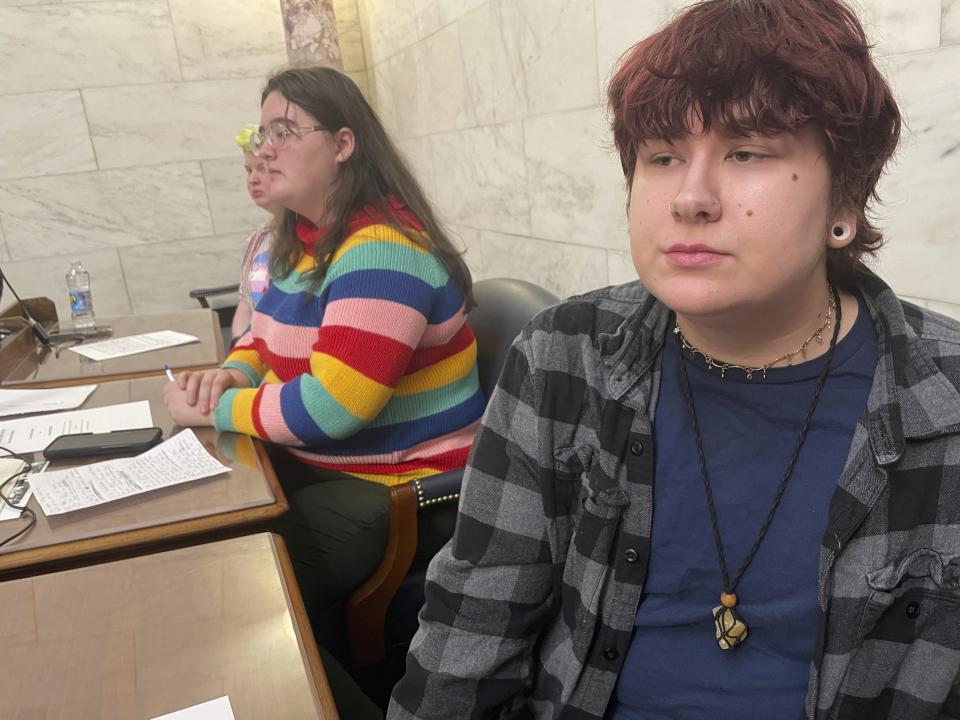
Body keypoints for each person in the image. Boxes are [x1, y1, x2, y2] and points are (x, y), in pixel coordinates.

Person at [388, 1, 960, 719]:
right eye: (662, 156)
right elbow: (468, 633)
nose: (690, 197)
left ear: (843, 197)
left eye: (747, 151)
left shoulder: (943, 399)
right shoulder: (565, 358)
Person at [163, 67, 485, 665]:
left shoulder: (382, 249)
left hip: (393, 492)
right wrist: (230, 375)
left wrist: (216, 408)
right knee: (198, 553)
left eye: (284, 130)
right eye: (261, 135)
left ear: (343, 144)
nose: (266, 149)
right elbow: (262, 338)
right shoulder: (302, 239)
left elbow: (331, 408)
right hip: (321, 469)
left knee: (236, 607)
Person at [231, 125, 284, 341]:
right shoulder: (257, 240)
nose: (252, 179)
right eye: (248, 170)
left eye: (261, 168)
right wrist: (237, 347)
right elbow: (246, 304)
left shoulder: (309, 235)